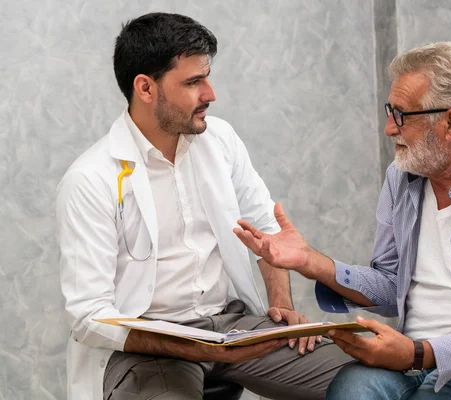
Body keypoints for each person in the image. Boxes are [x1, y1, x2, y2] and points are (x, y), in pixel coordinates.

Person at [234, 42, 451, 400]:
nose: (389, 129)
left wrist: (419, 352)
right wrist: (312, 263)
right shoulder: (401, 177)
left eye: (402, 115)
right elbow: (393, 287)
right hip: (409, 362)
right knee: (350, 390)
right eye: (390, 111)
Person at [56, 12, 352, 400]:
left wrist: (281, 307)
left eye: (206, 77)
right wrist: (193, 347)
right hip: (150, 347)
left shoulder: (221, 140)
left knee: (367, 382)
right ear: (145, 88)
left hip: (235, 328)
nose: (210, 93)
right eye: (194, 82)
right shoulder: (90, 179)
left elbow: (269, 233)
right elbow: (88, 315)